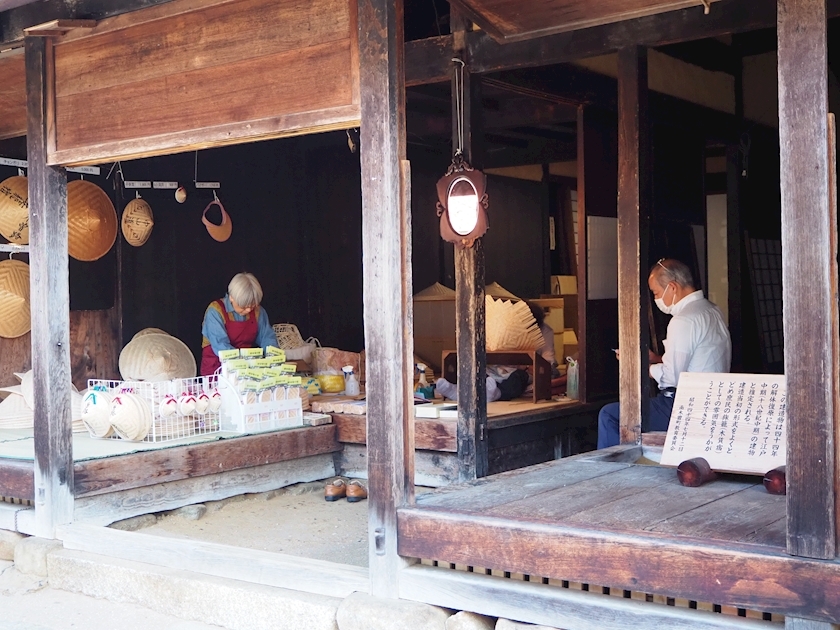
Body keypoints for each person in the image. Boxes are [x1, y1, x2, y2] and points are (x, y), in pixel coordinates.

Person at [597, 258, 731, 449]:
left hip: (684, 405)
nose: (656, 299)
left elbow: (672, 377)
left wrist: (640, 366)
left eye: (656, 293)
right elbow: (695, 361)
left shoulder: (683, 320)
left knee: (609, 415)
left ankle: (614, 470)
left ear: (673, 287)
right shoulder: (712, 310)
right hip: (713, 400)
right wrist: (655, 359)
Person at [435, 301, 555, 402]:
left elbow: (548, 361)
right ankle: (459, 392)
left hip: (522, 371)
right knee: (475, 371)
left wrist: (527, 366)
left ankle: (497, 394)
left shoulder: (545, 331)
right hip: (494, 369)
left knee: (518, 378)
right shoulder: (505, 326)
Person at [200, 272, 277, 375]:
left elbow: (267, 338)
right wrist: (245, 363)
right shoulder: (215, 311)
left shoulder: (258, 312)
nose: (249, 310)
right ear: (231, 297)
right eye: (244, 306)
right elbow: (221, 346)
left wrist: (273, 357)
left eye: (253, 305)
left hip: (247, 371)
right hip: (216, 368)